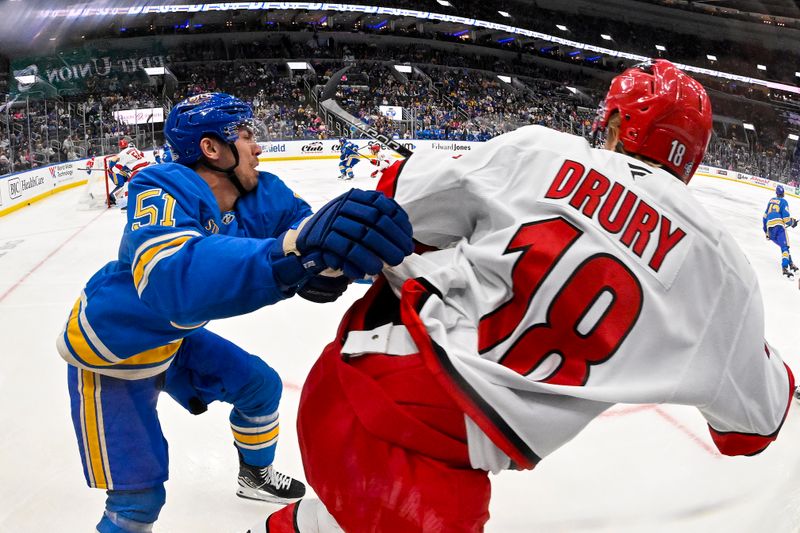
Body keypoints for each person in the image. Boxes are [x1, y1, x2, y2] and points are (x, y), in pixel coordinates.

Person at [254, 60, 795, 532]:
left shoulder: (541, 150)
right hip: (420, 454)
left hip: (358, 377)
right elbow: (751, 431)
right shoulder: (725, 272)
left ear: (613, 123)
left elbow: (394, 202)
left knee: (343, 513)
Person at [56, 92, 413, 533]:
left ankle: (254, 475)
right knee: (137, 500)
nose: (258, 147)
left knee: (260, 386)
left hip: (173, 337)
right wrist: (287, 258)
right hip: (112, 350)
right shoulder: (162, 184)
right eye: (245, 135)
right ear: (211, 148)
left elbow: (311, 235)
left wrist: (352, 253)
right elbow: (170, 279)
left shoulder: (263, 194)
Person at [763, 184, 798, 278]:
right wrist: (793, 222)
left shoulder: (771, 200)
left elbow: (764, 217)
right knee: (785, 247)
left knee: (784, 246)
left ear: (776, 193)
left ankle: (791, 263)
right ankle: (785, 267)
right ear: (783, 193)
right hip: (779, 227)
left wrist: (766, 232)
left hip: (770, 228)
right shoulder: (784, 201)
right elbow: (786, 219)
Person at [106, 138, 150, 209]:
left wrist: (111, 169)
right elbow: (142, 155)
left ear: (120, 147)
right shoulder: (134, 148)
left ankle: (129, 204)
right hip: (147, 167)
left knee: (127, 185)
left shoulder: (122, 154)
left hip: (139, 170)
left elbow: (116, 168)